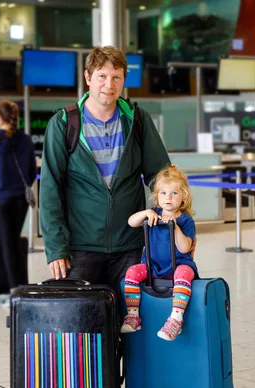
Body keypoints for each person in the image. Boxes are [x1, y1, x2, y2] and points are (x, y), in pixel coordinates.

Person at [40, 46, 170, 300]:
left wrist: (177, 226)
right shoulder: (64, 124)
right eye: (101, 76)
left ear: (123, 80)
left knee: (130, 324)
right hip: (80, 248)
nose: (108, 85)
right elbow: (50, 188)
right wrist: (56, 248)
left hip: (130, 246)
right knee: (82, 327)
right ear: (88, 77)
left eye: (116, 77)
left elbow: (162, 177)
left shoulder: (137, 120)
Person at [121, 165, 197, 341]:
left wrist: (175, 227)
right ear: (156, 196)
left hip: (179, 266)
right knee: (132, 272)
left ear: (183, 197)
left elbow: (185, 248)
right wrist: (145, 213)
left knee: (184, 273)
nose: (168, 198)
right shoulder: (152, 214)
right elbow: (131, 222)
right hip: (153, 266)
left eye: (174, 193)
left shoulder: (186, 220)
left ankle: (176, 319)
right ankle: (133, 315)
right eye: (163, 193)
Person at [0, 100, 37, 304]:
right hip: (19, 199)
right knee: (14, 240)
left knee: (7, 243)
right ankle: (21, 285)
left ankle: (14, 290)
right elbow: (32, 172)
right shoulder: (26, 140)